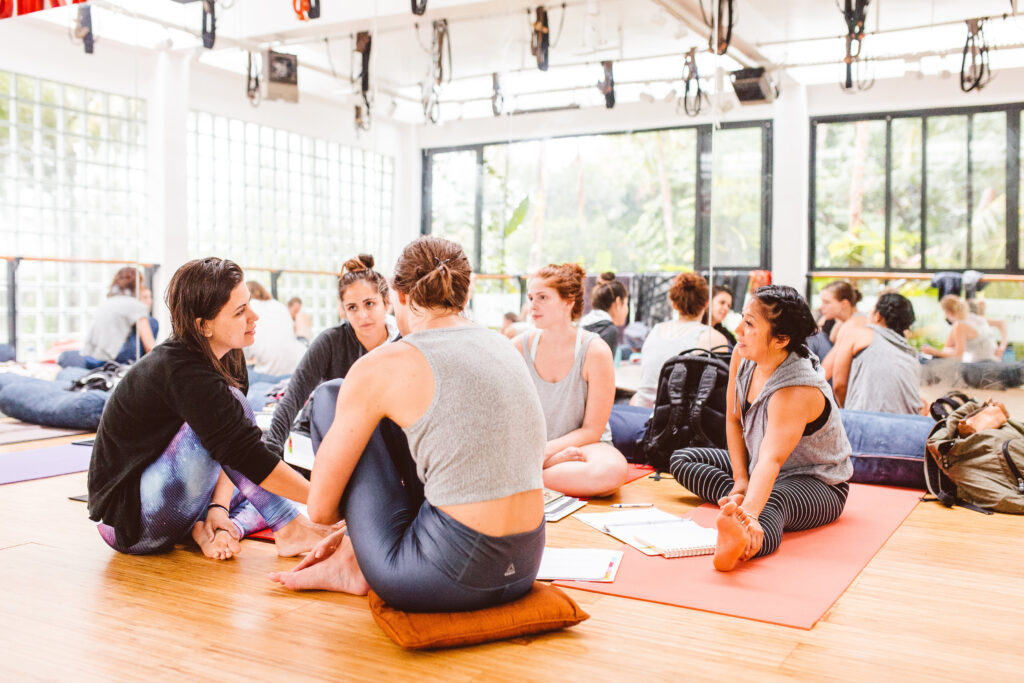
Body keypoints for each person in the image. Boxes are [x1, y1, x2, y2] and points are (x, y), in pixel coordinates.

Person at [268, 236, 546, 613]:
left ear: (395, 296)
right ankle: (352, 560)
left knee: (333, 394)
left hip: (442, 578)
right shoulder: (504, 346)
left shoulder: (383, 364)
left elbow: (321, 511)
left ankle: (355, 567)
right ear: (465, 296)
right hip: (526, 564)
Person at [87, 257, 329, 560]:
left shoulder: (230, 356)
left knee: (264, 483)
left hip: (178, 501)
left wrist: (218, 506)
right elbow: (242, 452)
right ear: (204, 326)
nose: (254, 316)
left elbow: (235, 455)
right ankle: (289, 527)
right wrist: (325, 502)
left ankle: (221, 529)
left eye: (249, 305)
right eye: (240, 311)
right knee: (252, 448)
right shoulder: (181, 369)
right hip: (132, 522)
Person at [669, 285, 853, 572]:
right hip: (760, 469)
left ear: (781, 339)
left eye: (750, 323)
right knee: (682, 459)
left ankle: (741, 538)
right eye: (742, 317)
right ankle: (739, 502)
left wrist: (751, 513)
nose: (738, 328)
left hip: (818, 482)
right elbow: (733, 418)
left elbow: (772, 459)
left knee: (773, 502)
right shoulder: (742, 356)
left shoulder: (795, 388)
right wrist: (741, 480)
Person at [264, 254, 398, 458]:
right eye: (352, 307)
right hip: (321, 435)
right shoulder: (330, 341)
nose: (362, 315)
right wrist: (270, 453)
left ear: (386, 302)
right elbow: (293, 397)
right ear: (343, 310)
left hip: (375, 444)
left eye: (369, 303)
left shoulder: (403, 344)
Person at [512, 263, 628, 498]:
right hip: (535, 447)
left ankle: (521, 480)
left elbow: (592, 431)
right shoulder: (519, 347)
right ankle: (535, 473)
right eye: (531, 297)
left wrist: (544, 453)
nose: (532, 306)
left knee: (611, 471)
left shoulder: (595, 350)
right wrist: (537, 451)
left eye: (543, 297)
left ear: (569, 301)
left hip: (585, 447)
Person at [629, 272, 729, 410]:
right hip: (671, 421)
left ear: (673, 303)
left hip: (640, 410)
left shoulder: (655, 331)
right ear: (706, 304)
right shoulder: (713, 338)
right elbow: (717, 395)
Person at [830, 292, 924, 415]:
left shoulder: (858, 333)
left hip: (866, 421)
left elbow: (839, 385)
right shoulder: (911, 355)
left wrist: (849, 412)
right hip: (907, 425)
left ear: (878, 316)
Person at [73, 267, 157, 368]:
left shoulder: (107, 302)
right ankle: (139, 368)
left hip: (92, 359)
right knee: (152, 322)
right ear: (137, 285)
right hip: (110, 360)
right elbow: (149, 346)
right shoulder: (136, 306)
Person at [244, 282, 306, 377]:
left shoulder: (249, 309)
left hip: (268, 374)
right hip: (293, 371)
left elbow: (246, 355)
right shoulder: (280, 306)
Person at [922, 294, 1006, 362]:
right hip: (995, 359)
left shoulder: (960, 326)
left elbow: (958, 356)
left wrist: (933, 351)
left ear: (947, 312)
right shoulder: (973, 317)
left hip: (983, 365)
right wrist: (1002, 347)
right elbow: (1002, 323)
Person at [816, 280, 866, 379]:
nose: (821, 307)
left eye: (826, 302)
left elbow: (826, 372)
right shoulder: (844, 322)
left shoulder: (852, 325)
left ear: (844, 303)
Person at [580, 272, 629, 354]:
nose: (627, 310)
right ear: (618, 302)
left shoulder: (583, 323)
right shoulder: (609, 330)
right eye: (626, 304)